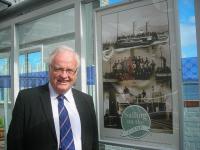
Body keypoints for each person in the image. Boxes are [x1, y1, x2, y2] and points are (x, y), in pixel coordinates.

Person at [7, 46, 98, 150]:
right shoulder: (26, 100)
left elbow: (93, 142)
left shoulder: (86, 101)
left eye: (69, 70)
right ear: (49, 69)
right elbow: (14, 143)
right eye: (59, 69)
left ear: (76, 73)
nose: (64, 75)